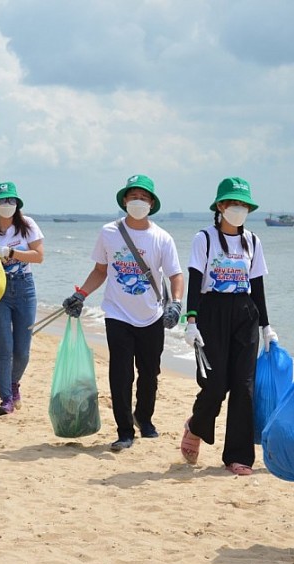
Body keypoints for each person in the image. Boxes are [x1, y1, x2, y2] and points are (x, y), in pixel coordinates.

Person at [62, 174, 183, 451]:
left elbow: (176, 275)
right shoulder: (109, 233)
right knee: (120, 373)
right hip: (117, 314)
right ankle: (125, 430)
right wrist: (80, 295)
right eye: (133, 196)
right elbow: (100, 270)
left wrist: (175, 303)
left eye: (143, 197)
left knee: (149, 373)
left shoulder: (162, 238)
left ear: (152, 203)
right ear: (124, 201)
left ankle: (145, 418)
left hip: (152, 315)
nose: (138, 201)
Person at [179, 177, 278, 475]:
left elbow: (257, 284)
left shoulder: (253, 241)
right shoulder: (205, 238)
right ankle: (195, 426)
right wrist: (191, 320)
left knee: (244, 387)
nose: (238, 209)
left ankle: (238, 456)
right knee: (215, 384)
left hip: (244, 312)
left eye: (243, 204)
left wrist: (266, 327)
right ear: (220, 206)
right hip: (212, 312)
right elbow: (196, 281)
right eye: (233, 203)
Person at [0, 182, 44, 416]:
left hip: (25, 289)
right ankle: (6, 399)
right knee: (4, 348)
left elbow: (39, 256)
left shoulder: (28, 226)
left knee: (23, 351)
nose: (7, 205)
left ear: (17, 204)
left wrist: (11, 253)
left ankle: (14, 383)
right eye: (2, 201)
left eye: (11, 200)